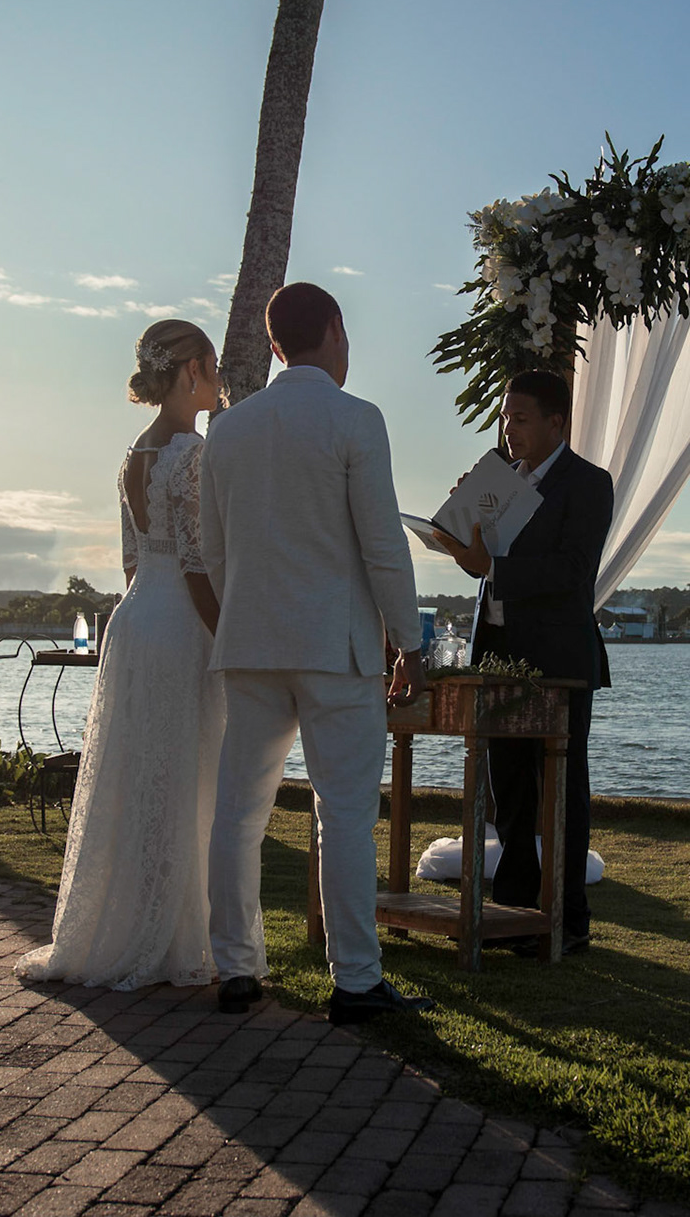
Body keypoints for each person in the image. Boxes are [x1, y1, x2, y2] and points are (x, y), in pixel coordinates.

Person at [199, 281, 434, 1024]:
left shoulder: (229, 430)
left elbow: (213, 550)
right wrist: (410, 640)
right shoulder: (355, 419)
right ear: (333, 330)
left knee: (239, 811)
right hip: (336, 647)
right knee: (344, 814)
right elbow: (383, 546)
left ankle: (236, 968)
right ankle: (356, 981)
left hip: (252, 640)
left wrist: (245, 613)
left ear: (274, 344)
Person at [16, 320, 225, 990]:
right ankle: (169, 939)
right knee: (182, 774)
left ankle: (132, 923)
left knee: (141, 775)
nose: (218, 379)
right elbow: (196, 566)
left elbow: (134, 565)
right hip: (181, 625)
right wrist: (228, 638)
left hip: (136, 623)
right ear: (190, 369)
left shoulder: (135, 453)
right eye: (213, 365)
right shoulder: (190, 452)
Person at [436, 370, 613, 955]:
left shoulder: (588, 483)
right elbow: (479, 566)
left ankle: (567, 918)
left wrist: (491, 565)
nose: (508, 429)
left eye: (520, 419)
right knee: (507, 788)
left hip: (557, 658)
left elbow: (572, 571)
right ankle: (510, 913)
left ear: (556, 423)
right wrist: (458, 538)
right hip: (496, 651)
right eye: (505, 417)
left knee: (560, 790)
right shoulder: (496, 477)